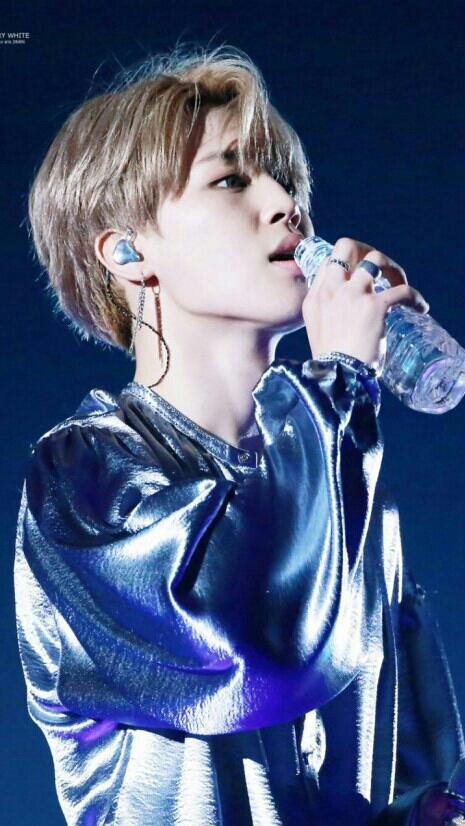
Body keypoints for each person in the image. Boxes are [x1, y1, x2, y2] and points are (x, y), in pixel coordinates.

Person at [14, 46, 465, 826]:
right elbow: (256, 655)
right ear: (128, 251)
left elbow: (414, 779)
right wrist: (338, 384)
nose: (286, 204)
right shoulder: (83, 477)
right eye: (230, 180)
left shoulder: (344, 477)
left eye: (284, 179)